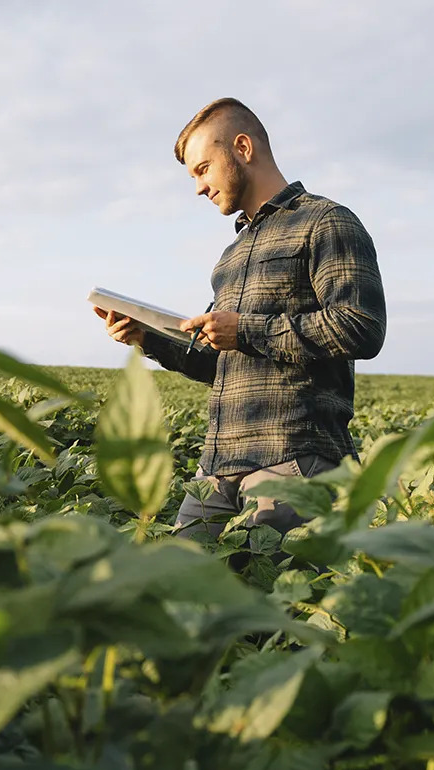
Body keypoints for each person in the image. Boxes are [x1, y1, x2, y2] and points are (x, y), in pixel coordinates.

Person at [94, 97, 386, 542]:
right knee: (175, 588)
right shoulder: (231, 256)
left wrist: (245, 329)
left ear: (243, 148)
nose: (198, 187)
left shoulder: (327, 222)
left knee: (270, 604)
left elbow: (360, 326)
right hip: (216, 469)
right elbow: (222, 363)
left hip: (293, 461)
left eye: (202, 168)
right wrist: (148, 339)